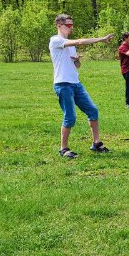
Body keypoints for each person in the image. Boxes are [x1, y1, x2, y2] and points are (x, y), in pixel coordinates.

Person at [48, 14, 115, 158]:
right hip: (63, 84)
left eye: (72, 25)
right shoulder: (55, 40)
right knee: (70, 117)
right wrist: (101, 39)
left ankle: (96, 143)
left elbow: (76, 66)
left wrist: (77, 60)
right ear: (59, 25)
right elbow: (79, 42)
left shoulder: (69, 45)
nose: (71, 28)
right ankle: (63, 149)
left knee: (92, 110)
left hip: (75, 84)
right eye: (69, 25)